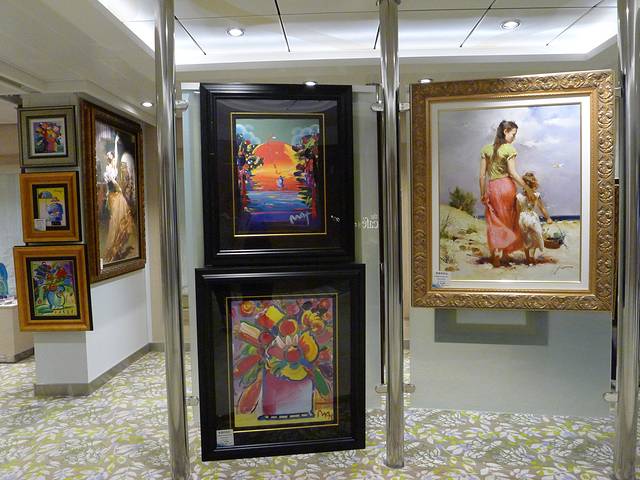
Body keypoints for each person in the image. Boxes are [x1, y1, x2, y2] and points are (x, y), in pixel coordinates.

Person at [479, 120, 534, 267]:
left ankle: (495, 256)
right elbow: (513, 173)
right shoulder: (509, 149)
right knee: (508, 220)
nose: (514, 138)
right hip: (507, 187)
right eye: (513, 134)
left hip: (492, 188)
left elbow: (482, 176)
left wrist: (483, 193)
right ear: (505, 131)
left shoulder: (486, 149)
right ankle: (504, 254)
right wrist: (528, 188)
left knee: (494, 221)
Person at [103, 134, 134, 263]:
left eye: (110, 155)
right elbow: (111, 181)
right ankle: (113, 248)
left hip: (117, 194)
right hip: (113, 195)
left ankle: (119, 244)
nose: (110, 156)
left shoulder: (114, 166)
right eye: (109, 155)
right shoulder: (107, 168)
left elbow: (115, 154)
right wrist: (118, 188)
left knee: (123, 218)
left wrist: (115, 143)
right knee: (115, 220)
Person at [516, 172, 553, 265]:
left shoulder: (520, 196)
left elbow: (517, 211)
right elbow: (542, 208)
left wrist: (548, 218)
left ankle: (529, 258)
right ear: (533, 184)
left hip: (523, 218)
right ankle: (530, 258)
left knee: (528, 239)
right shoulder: (533, 195)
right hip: (532, 218)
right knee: (535, 237)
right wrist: (548, 218)